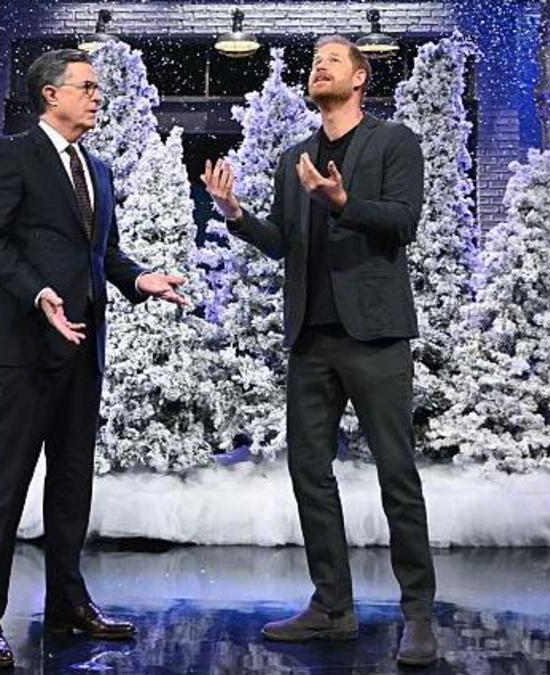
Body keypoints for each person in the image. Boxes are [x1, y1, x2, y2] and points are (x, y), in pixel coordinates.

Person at [201, 35, 437, 666]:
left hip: (376, 335)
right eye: (314, 62)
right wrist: (234, 213)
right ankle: (332, 607)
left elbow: (401, 221)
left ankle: (417, 614)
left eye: (332, 60)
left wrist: (342, 202)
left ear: (359, 78)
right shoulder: (294, 158)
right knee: (310, 471)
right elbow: (283, 243)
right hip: (311, 339)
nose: (319, 68)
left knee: (396, 475)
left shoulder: (393, 142)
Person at [0, 48, 187, 669]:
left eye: (97, 88)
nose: (96, 97)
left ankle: (67, 603)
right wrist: (37, 292)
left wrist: (140, 280)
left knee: (70, 486)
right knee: (4, 485)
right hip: (24, 346)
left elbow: (103, 254)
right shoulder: (13, 153)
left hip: (82, 346)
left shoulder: (98, 167)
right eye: (85, 87)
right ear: (49, 95)